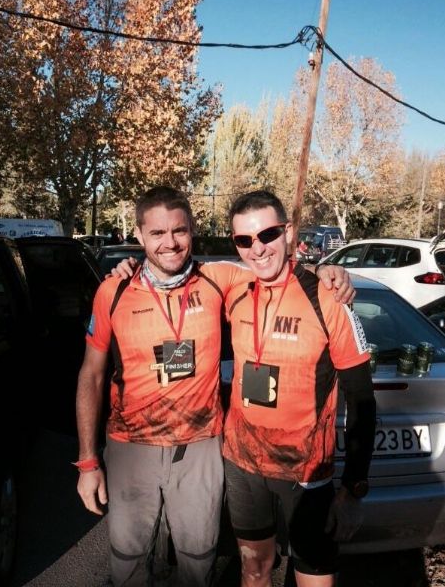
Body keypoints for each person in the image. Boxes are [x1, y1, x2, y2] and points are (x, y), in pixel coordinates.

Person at [75, 186, 355, 587]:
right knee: (128, 561)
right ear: (138, 235)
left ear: (192, 230)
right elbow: (91, 375)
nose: (170, 242)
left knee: (198, 562)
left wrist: (327, 273)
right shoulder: (114, 290)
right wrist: (88, 462)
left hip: (201, 449)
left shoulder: (218, 279)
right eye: (157, 233)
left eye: (179, 230)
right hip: (130, 449)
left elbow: (275, 270)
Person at [223, 190, 376, 587]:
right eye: (244, 240)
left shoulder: (329, 297)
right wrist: (129, 267)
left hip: (306, 475)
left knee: (315, 579)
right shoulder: (234, 289)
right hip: (242, 465)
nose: (257, 249)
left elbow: (362, 398)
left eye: (268, 234)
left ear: (288, 232)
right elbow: (170, 266)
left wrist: (353, 489)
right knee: (254, 571)